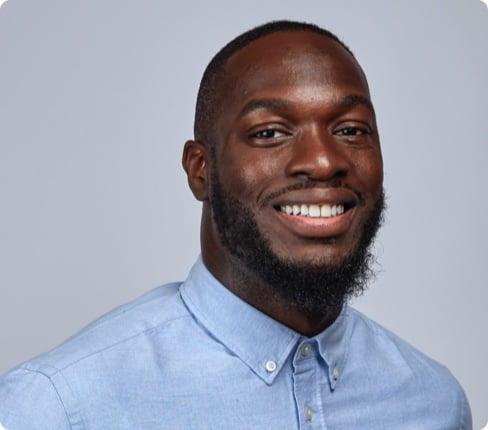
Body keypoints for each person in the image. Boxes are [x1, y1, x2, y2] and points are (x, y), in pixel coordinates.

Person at [0, 20, 472, 429]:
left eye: (350, 130)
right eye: (270, 132)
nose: (325, 161)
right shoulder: (58, 407)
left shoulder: (434, 403)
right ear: (200, 170)